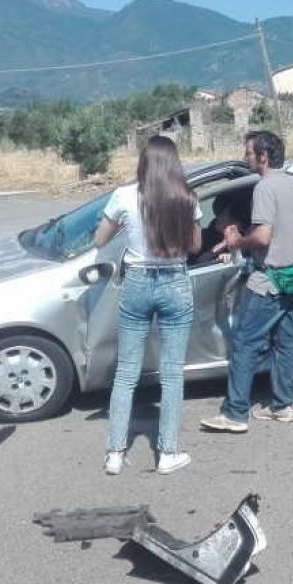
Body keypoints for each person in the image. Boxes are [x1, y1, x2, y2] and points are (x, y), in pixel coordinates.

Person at [94, 136, 203, 475]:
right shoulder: (186, 198)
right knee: (172, 374)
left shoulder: (124, 195)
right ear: (173, 163)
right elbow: (196, 246)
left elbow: (99, 239)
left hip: (138, 281)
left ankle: (114, 453)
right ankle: (167, 454)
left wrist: (126, 233)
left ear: (143, 162)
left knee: (126, 372)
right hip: (174, 281)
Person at [200, 130, 293, 433]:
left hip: (268, 279)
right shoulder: (291, 185)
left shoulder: (264, 188)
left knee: (245, 343)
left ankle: (235, 413)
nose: (245, 157)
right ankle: (283, 405)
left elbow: (262, 237)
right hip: (292, 276)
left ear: (263, 156)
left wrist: (236, 242)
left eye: (248, 152)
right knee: (283, 343)